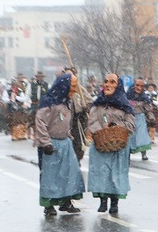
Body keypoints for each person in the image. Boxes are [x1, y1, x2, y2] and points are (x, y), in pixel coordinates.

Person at [33, 72, 85, 216]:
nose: (74, 88)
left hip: (65, 143)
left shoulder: (67, 102)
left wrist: (68, 135)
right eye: (73, 85)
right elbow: (40, 122)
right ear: (64, 86)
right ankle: (48, 205)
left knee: (69, 173)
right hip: (51, 144)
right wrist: (45, 142)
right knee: (51, 175)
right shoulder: (49, 103)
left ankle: (66, 202)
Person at [87, 73, 135, 215]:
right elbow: (92, 121)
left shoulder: (125, 104)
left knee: (116, 173)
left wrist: (116, 126)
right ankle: (103, 200)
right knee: (102, 172)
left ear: (118, 85)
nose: (107, 84)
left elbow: (131, 124)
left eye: (112, 82)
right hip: (101, 143)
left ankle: (114, 202)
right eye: (106, 82)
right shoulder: (98, 103)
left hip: (118, 145)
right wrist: (102, 131)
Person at [126, 79, 157, 162]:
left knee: (142, 135)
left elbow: (148, 109)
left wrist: (151, 118)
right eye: (137, 85)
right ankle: (127, 153)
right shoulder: (127, 96)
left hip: (140, 119)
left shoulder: (144, 97)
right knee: (130, 137)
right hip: (130, 118)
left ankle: (144, 154)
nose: (139, 88)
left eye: (141, 86)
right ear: (134, 86)